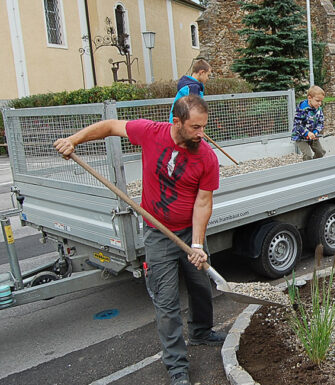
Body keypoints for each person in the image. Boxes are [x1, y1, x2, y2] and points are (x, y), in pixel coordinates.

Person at [54, 95, 223, 385]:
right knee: (166, 301)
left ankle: (201, 331)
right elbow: (109, 126)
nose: (201, 134)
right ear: (177, 122)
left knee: (201, 287)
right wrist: (74, 140)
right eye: (195, 127)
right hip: (158, 234)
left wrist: (196, 243)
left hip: (188, 231)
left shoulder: (206, 156)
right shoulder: (150, 132)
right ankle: (177, 366)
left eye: (203, 127)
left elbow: (203, 202)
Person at [291, 85, 327, 160]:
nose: (320, 103)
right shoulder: (302, 109)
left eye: (321, 101)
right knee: (308, 155)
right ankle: (308, 169)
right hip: (300, 137)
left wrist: (316, 131)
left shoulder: (318, 109)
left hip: (312, 136)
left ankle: (314, 166)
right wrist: (307, 133)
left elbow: (321, 122)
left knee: (320, 152)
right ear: (309, 98)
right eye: (317, 101)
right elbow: (298, 125)